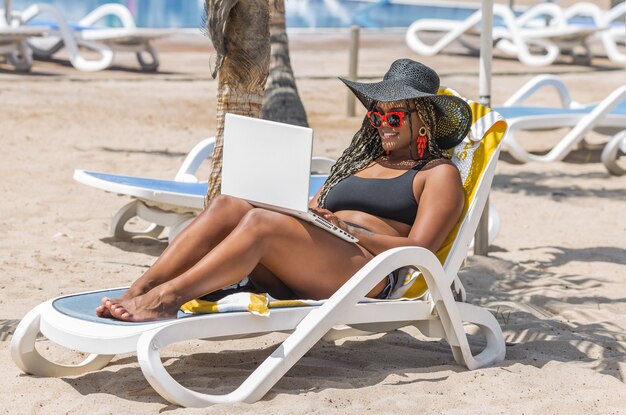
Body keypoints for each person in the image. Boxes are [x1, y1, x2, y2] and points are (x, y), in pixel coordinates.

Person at [96, 58, 472, 322]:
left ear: (423, 120)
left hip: (368, 272)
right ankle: (140, 288)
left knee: (261, 222)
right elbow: (309, 211)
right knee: (230, 204)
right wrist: (307, 212)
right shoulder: (360, 161)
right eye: (376, 116)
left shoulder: (437, 173)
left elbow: (421, 250)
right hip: (317, 258)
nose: (382, 126)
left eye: (393, 117)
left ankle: (166, 299)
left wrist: (349, 231)